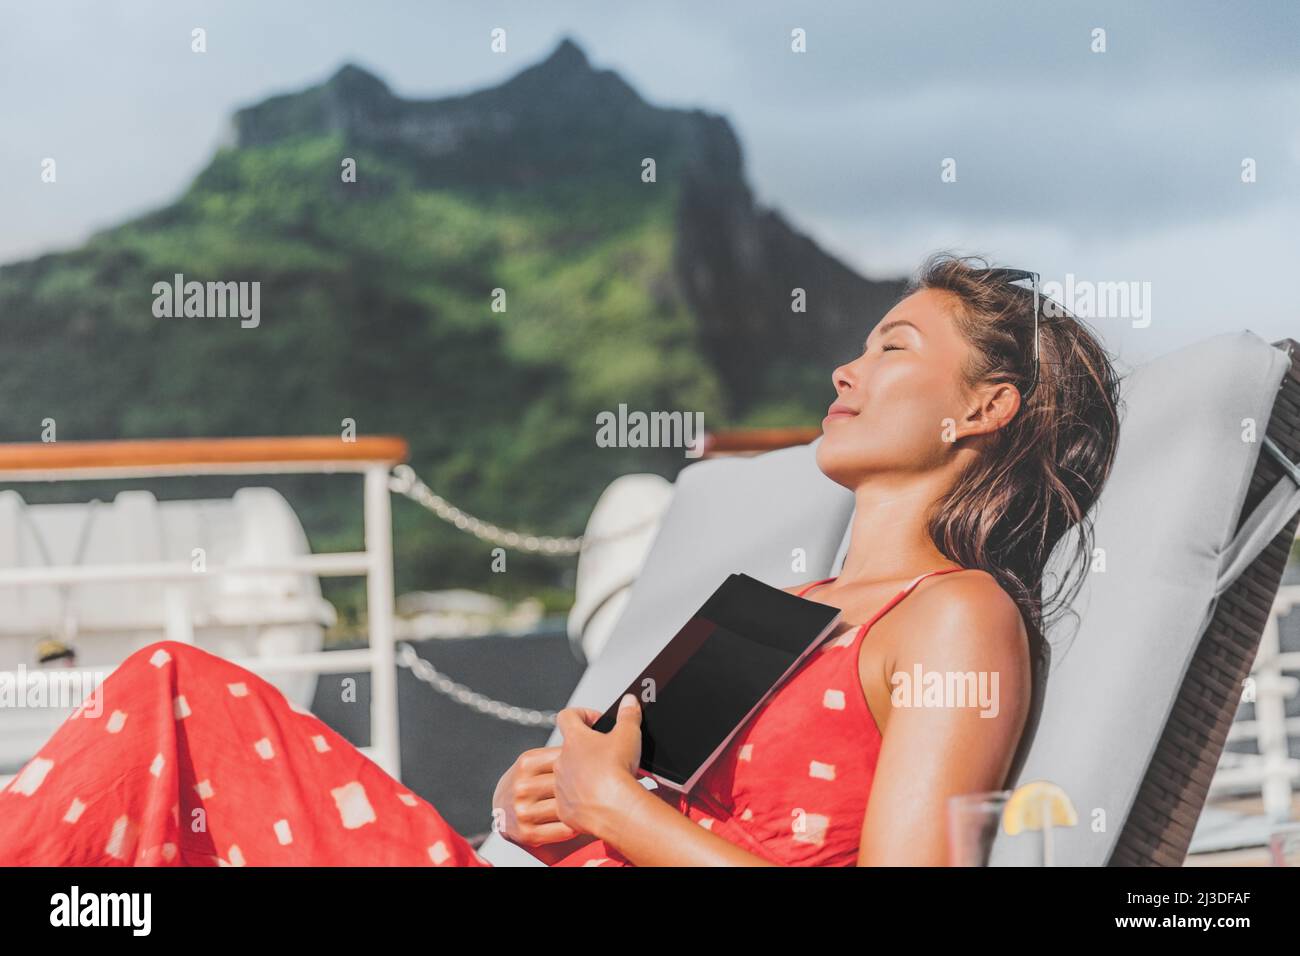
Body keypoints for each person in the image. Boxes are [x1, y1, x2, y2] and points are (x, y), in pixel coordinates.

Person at [0, 252, 1122, 866]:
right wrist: (548, 801)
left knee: (175, 695)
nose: (845, 367)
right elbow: (607, 793)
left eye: (892, 347)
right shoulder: (770, 610)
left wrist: (615, 810)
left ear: (982, 405)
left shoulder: (954, 613)